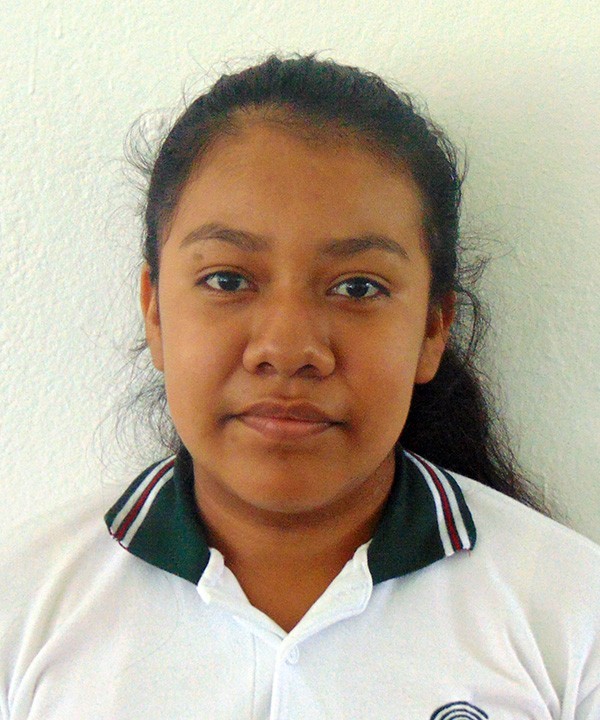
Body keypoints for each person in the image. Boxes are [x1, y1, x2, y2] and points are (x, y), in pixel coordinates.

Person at [1, 53, 599, 720]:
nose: (287, 351)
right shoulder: (23, 608)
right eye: (227, 280)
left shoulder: (573, 615)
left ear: (434, 328)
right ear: (156, 312)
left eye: (358, 287)